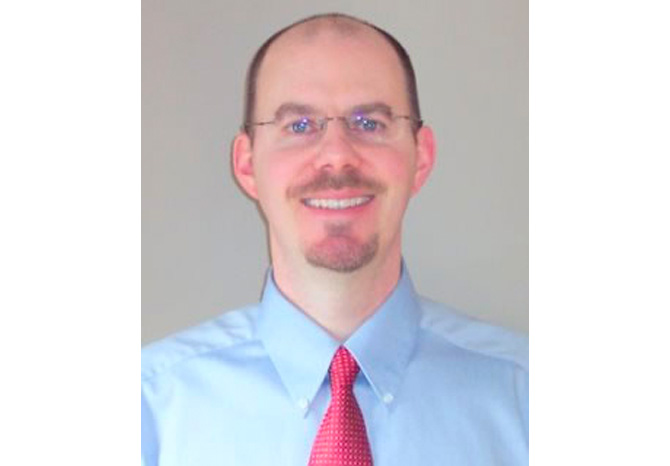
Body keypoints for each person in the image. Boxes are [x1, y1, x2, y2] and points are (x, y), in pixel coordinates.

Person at [142, 12, 528, 466]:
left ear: (420, 158)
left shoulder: (528, 400)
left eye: (369, 123)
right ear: (247, 165)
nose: (337, 155)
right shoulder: (149, 411)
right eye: (299, 126)